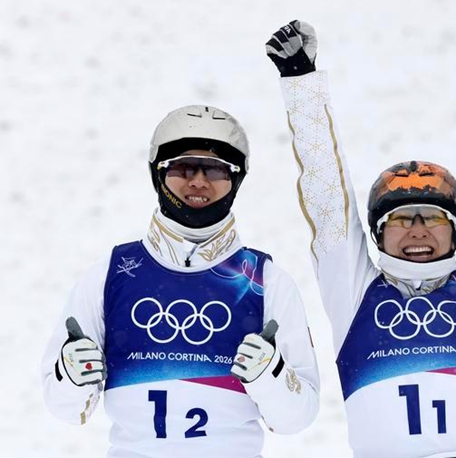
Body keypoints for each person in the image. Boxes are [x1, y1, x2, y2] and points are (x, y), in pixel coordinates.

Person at [265, 7, 456, 457]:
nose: (417, 231)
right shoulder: (353, 291)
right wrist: (300, 79)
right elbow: (328, 197)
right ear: (377, 233)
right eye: (401, 219)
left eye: (433, 218)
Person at [41, 105, 320, 457]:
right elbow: (65, 409)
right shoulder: (110, 273)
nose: (199, 181)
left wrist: (271, 375)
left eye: (216, 169)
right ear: (157, 173)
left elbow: (298, 418)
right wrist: (71, 376)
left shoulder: (266, 281)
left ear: (237, 179)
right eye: (183, 167)